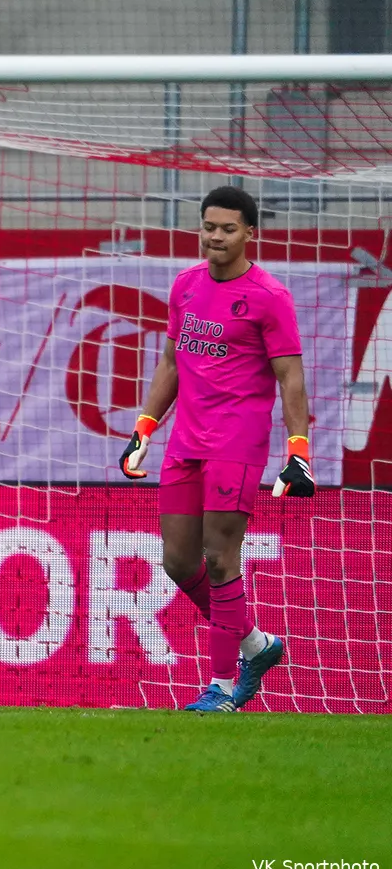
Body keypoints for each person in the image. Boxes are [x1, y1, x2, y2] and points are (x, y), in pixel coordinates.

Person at [121, 185, 313, 712]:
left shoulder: (270, 296)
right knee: (179, 563)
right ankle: (256, 645)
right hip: (186, 441)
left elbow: (290, 377)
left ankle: (224, 686)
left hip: (237, 442)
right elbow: (169, 362)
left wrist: (298, 450)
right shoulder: (184, 286)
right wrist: (145, 426)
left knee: (220, 557)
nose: (216, 236)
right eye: (209, 226)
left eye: (228, 228)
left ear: (251, 233)